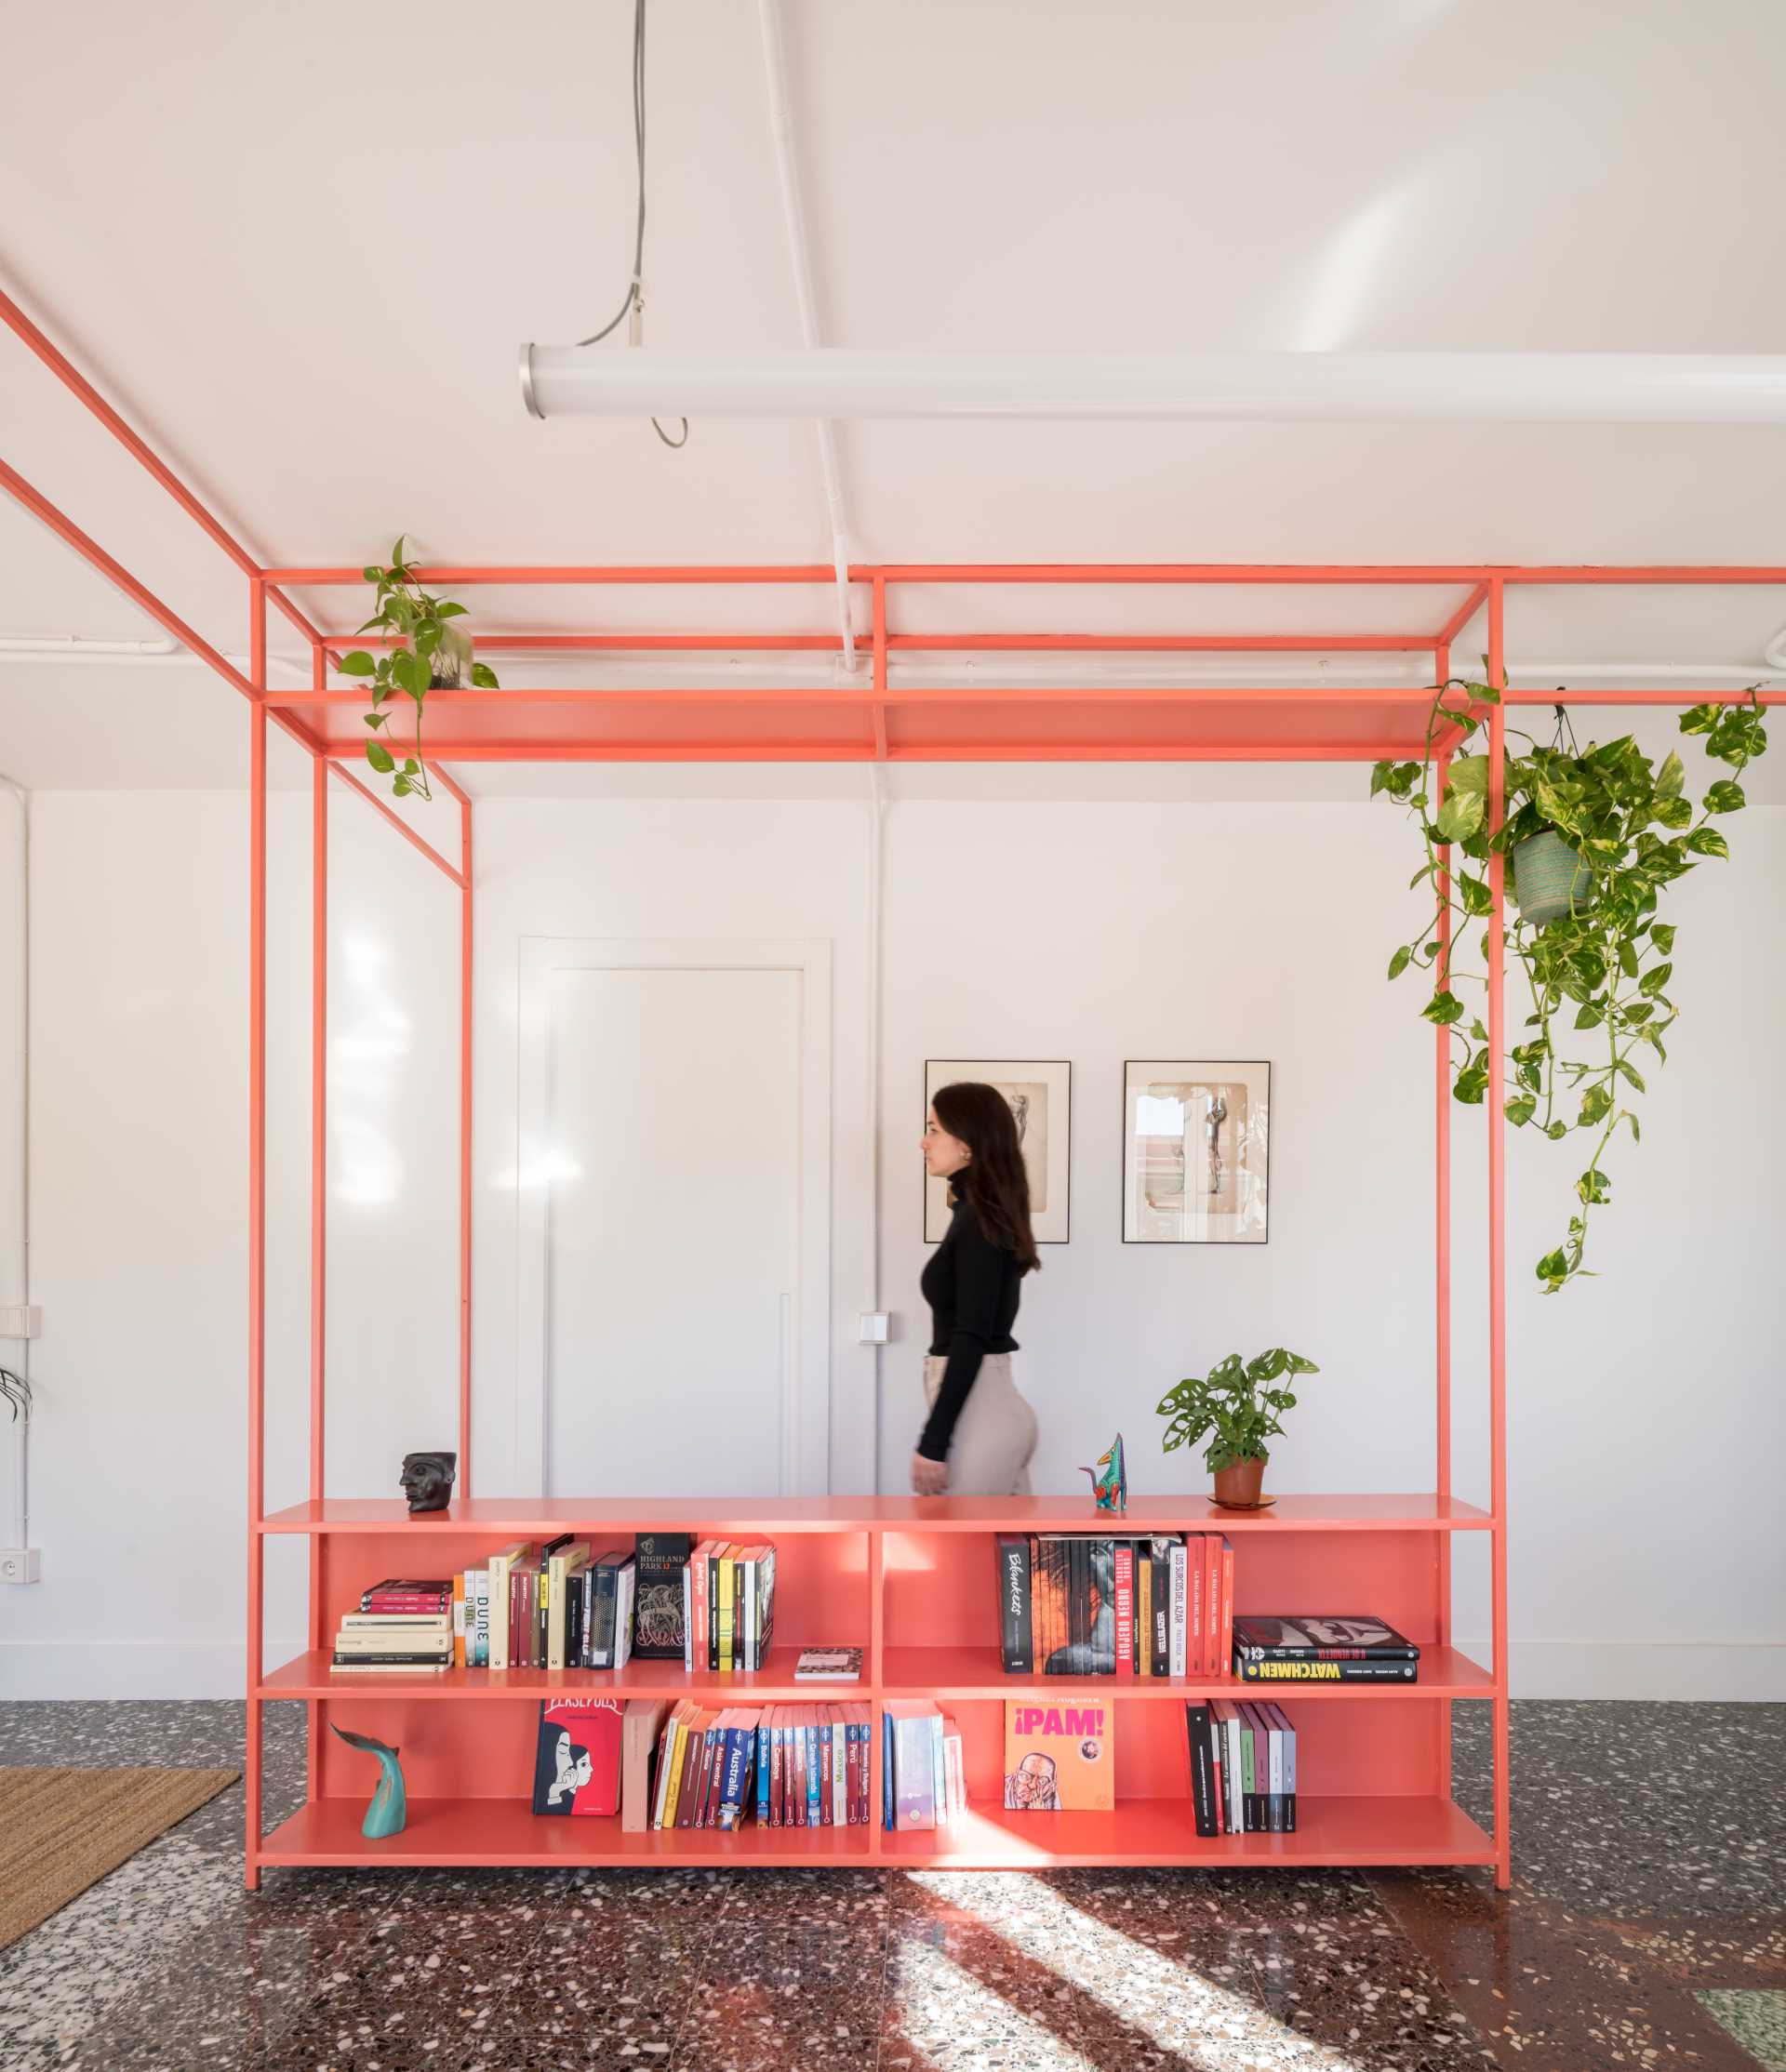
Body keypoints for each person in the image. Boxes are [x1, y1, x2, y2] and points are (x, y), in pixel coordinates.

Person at [913, 1082, 1041, 1495]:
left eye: (933, 1130)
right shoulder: (977, 1213)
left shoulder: (978, 1221)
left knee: (965, 1556)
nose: (923, 1142)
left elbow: (970, 1335)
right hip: (990, 1407)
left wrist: (934, 1444)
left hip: (981, 1414)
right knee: (1010, 1558)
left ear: (966, 1143)